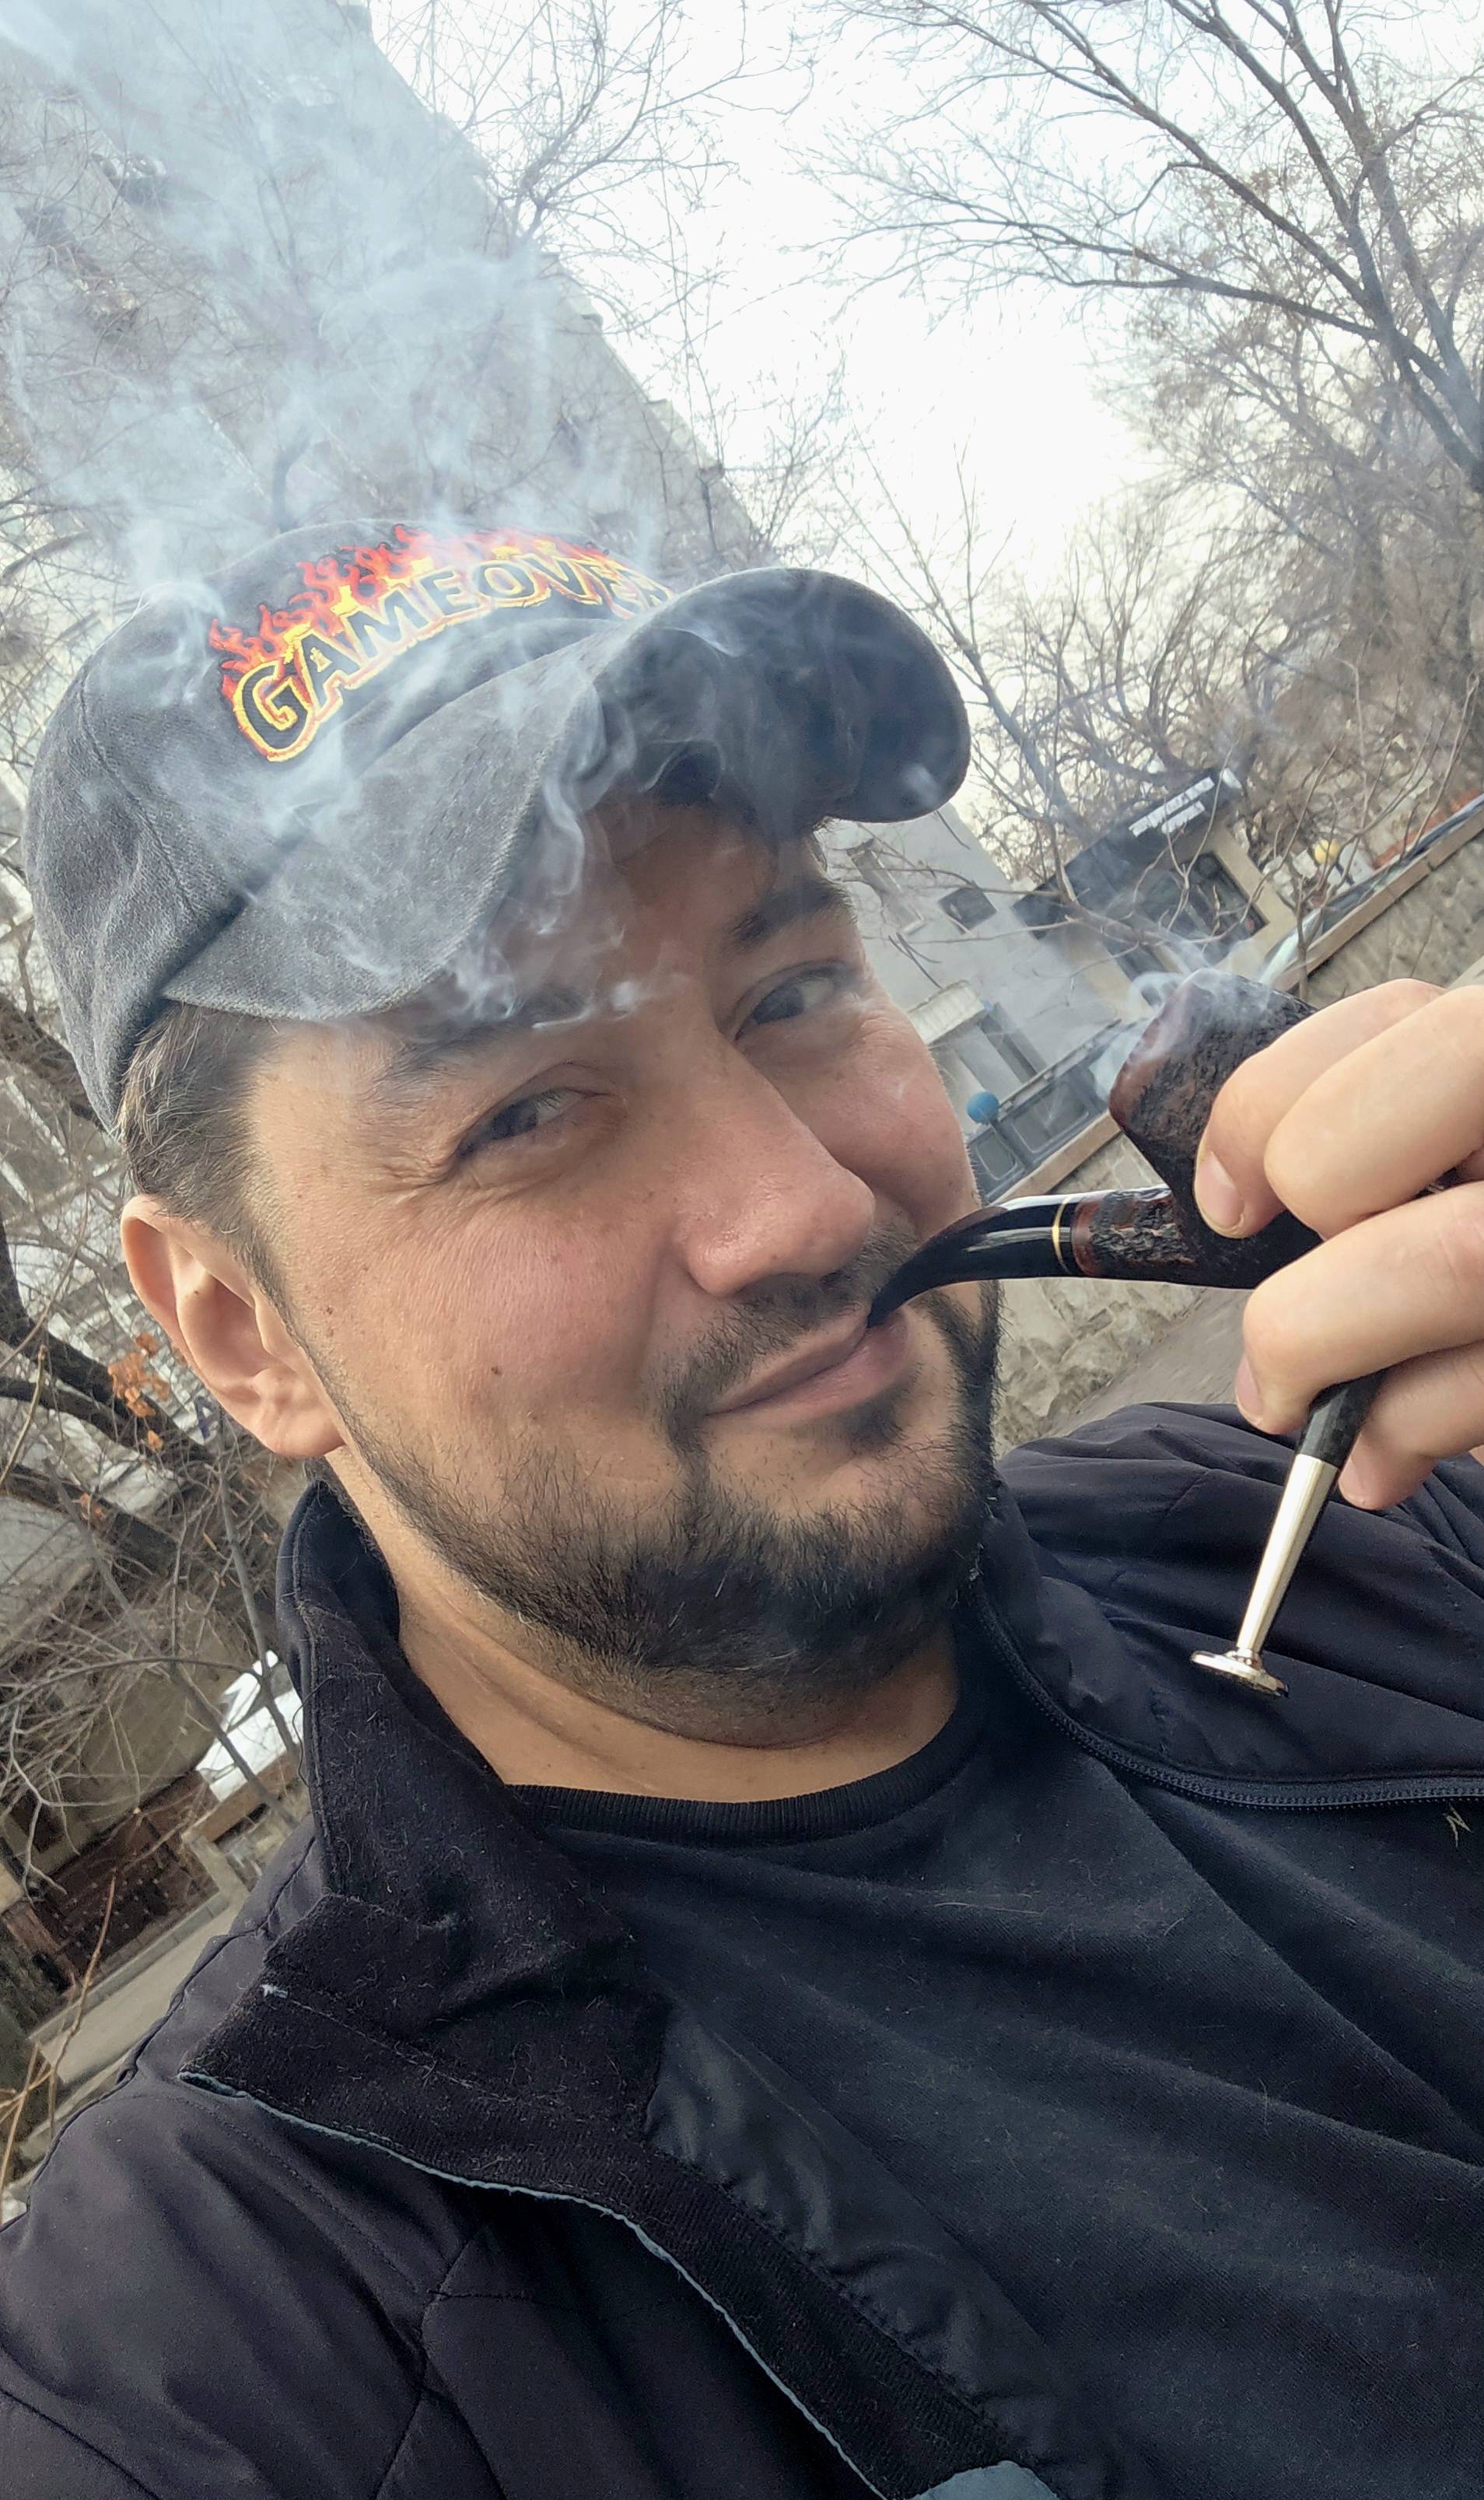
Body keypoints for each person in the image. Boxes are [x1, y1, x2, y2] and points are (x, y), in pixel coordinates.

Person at [2, 519, 1482, 2500]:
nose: (800, 1203)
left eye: (791, 987)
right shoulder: (224, 2357)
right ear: (238, 1327)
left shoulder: (1341, 1519)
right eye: (525, 1111)